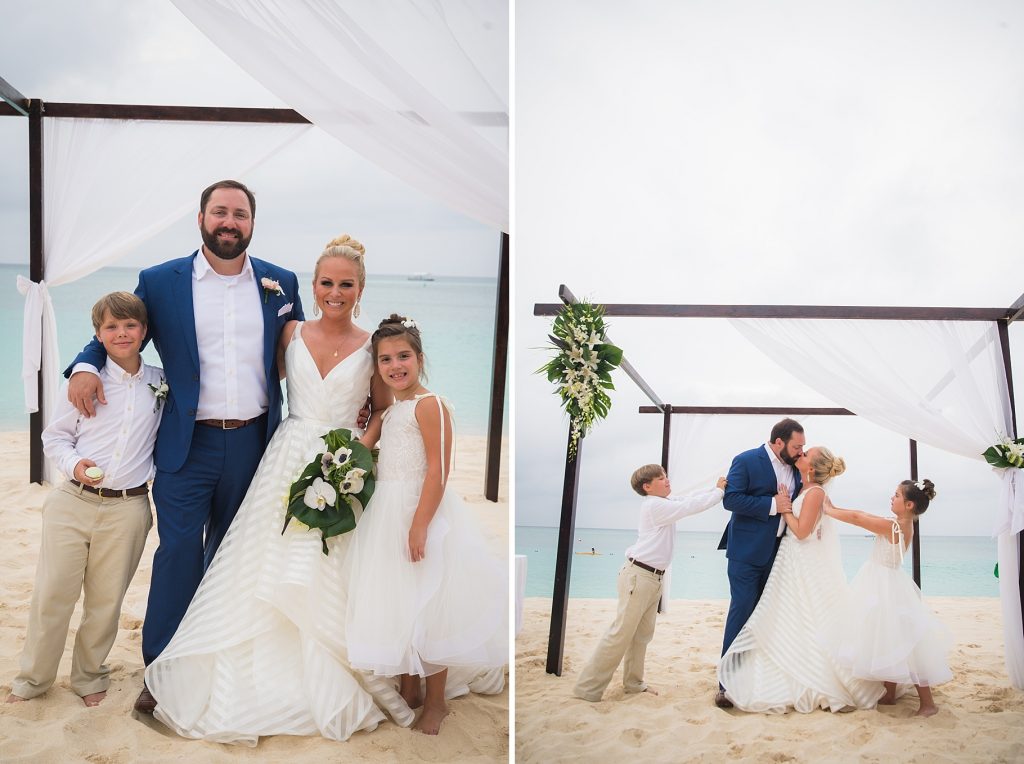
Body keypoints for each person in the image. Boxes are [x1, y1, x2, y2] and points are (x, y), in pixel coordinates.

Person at [143, 235, 419, 743]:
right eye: (327, 282)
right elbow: (249, 372)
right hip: (285, 456)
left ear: (361, 289)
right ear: (312, 286)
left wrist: (357, 454)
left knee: (329, 563)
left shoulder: (370, 346)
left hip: (341, 460)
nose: (335, 292)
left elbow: (382, 407)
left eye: (346, 285)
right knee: (258, 559)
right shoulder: (289, 331)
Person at [63, 180, 304, 713]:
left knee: (234, 555)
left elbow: (304, 351)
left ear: (252, 223)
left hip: (255, 442)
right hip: (185, 443)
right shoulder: (161, 281)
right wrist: (84, 365)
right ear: (200, 219)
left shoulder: (281, 282)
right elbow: (121, 331)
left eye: (239, 214)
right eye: (219, 212)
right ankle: (162, 669)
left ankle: (222, 660)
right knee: (178, 554)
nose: (229, 222)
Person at [345, 315, 507, 735]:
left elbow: (439, 469)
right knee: (401, 601)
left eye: (403, 356)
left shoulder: (430, 404)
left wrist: (420, 524)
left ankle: (436, 702)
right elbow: (370, 456)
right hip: (387, 514)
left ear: (419, 358)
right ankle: (409, 687)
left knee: (430, 605)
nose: (395, 366)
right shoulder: (391, 411)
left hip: (422, 511)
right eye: (385, 359)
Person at [7, 293, 161, 708]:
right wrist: (75, 465)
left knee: (106, 601)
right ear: (98, 334)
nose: (121, 333)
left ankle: (90, 676)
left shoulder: (160, 384)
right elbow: (55, 437)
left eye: (130, 325)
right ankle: (33, 678)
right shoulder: (82, 381)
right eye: (111, 327)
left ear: (144, 331)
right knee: (52, 594)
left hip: (129, 508)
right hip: (73, 502)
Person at [717, 447, 885, 713]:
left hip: (800, 557)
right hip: (789, 559)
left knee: (806, 614)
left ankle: (817, 676)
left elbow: (802, 531)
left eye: (806, 454)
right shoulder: (803, 486)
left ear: (811, 468)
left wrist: (784, 509)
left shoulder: (815, 492)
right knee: (788, 615)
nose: (801, 454)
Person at [572, 465, 726, 702]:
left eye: (666, 476)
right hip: (639, 576)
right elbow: (691, 506)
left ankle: (633, 684)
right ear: (647, 486)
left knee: (641, 635)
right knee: (620, 634)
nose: (667, 480)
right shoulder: (654, 506)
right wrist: (719, 492)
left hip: (652, 578)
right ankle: (587, 689)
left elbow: (688, 498)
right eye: (661, 478)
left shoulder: (664, 503)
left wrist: (714, 488)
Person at [822, 479, 952, 716]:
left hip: (885, 584)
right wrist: (835, 507)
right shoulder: (903, 524)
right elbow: (863, 515)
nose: (892, 498)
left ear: (909, 505)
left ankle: (928, 703)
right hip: (887, 582)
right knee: (888, 636)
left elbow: (858, 518)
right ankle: (889, 693)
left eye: (897, 495)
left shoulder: (894, 526)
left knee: (906, 643)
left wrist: (829, 510)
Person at [714, 418, 805, 708]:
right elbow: (731, 500)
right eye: (796, 446)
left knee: (766, 617)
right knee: (742, 612)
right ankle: (726, 685)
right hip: (746, 553)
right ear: (778, 442)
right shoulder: (746, 460)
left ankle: (757, 678)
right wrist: (772, 505)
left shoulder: (796, 468)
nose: (801, 452)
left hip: (779, 554)